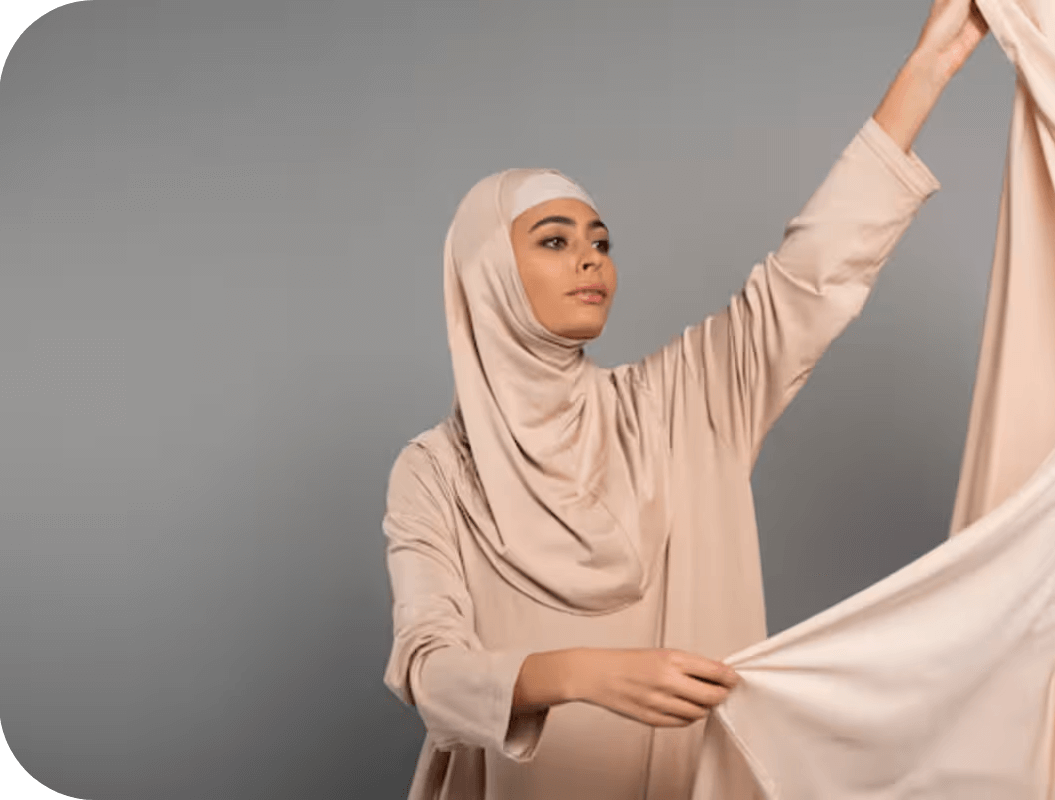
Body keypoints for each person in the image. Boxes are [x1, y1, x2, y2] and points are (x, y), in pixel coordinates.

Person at [383, 2, 990, 797]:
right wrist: (581, 676)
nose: (590, 259)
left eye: (600, 241)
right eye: (555, 240)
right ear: (486, 274)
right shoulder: (435, 472)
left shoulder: (681, 404)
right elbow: (429, 669)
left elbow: (806, 281)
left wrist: (928, 70)